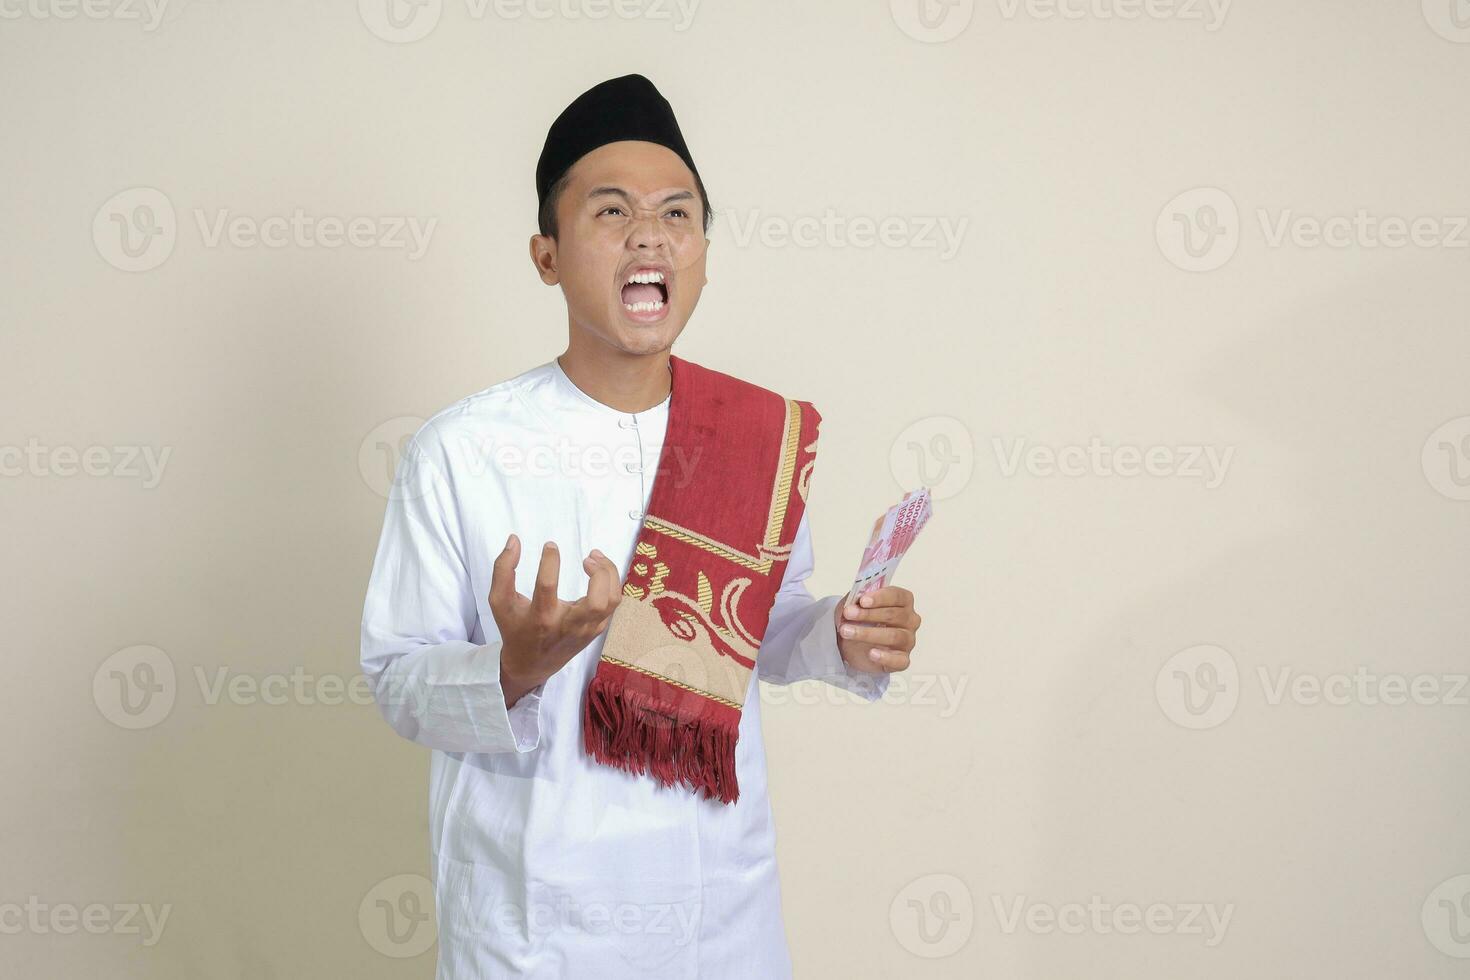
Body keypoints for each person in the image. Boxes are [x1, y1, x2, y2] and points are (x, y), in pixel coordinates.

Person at [360, 73, 923, 979]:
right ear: (547, 254)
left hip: (718, 919)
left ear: (700, 249)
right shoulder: (463, 450)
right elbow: (397, 679)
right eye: (611, 212)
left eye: (677, 214)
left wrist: (842, 638)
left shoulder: (755, 439)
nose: (650, 234)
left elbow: (764, 629)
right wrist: (511, 670)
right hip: (535, 922)